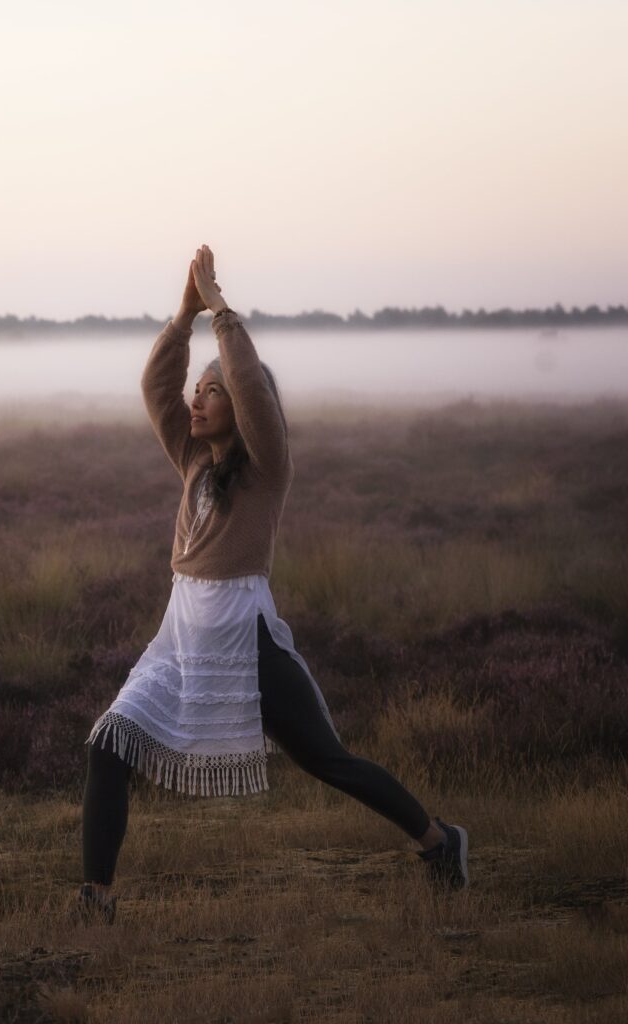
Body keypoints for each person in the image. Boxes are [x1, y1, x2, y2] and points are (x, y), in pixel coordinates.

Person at [75, 245, 469, 925]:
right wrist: (184, 314)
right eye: (198, 390)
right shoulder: (193, 460)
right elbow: (153, 388)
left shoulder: (266, 469)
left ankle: (440, 843)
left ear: (242, 405)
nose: (197, 398)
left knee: (327, 761)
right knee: (109, 744)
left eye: (212, 390)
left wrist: (221, 309)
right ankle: (96, 902)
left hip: (245, 639)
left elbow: (252, 387)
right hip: (180, 635)